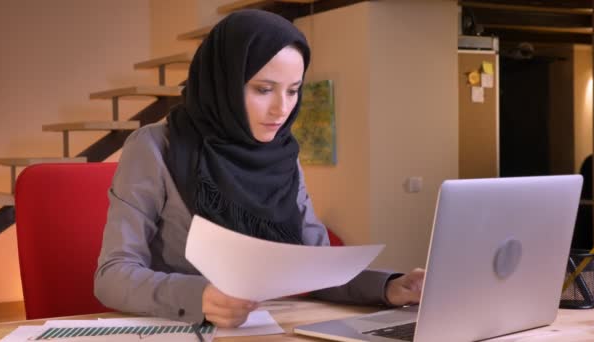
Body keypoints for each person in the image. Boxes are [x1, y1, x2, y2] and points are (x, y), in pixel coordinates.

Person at [94, 9, 424, 329]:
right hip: (187, 329)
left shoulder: (282, 154)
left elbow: (317, 267)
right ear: (223, 82)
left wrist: (391, 287)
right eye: (263, 89)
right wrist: (201, 298)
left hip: (267, 329)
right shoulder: (153, 147)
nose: (282, 109)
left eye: (293, 90)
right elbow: (112, 274)